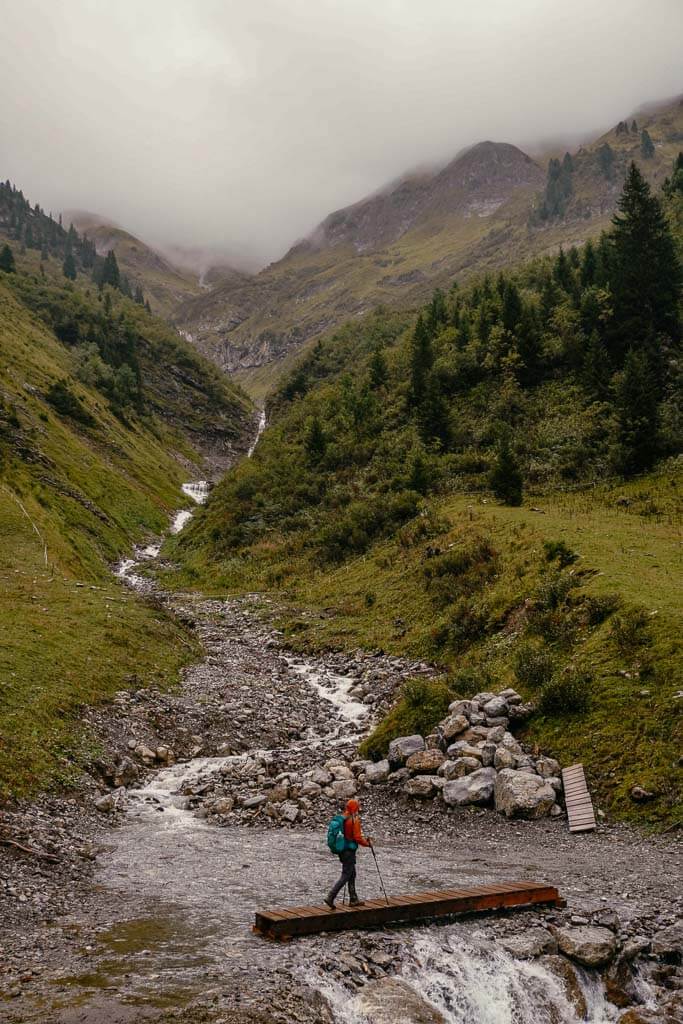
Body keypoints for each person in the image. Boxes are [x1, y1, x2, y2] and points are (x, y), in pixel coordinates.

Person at [325, 798, 373, 909]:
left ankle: (353, 899)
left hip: (342, 850)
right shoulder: (354, 820)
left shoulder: (342, 818)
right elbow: (357, 838)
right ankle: (330, 897)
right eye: (357, 807)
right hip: (349, 851)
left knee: (352, 873)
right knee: (346, 875)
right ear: (355, 808)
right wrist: (368, 844)